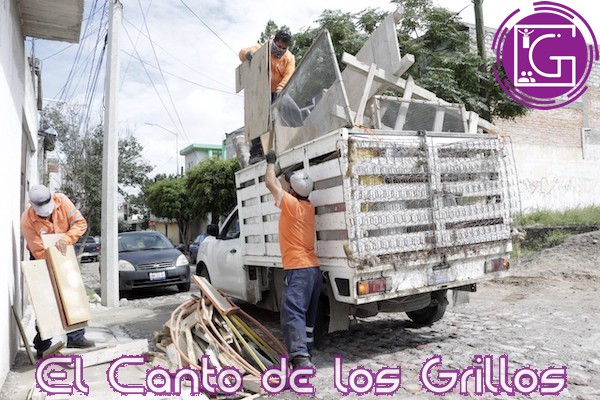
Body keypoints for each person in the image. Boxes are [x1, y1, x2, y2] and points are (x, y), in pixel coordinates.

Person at [20, 184, 95, 358]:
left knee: (72, 295)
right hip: (41, 257)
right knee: (46, 301)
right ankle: (43, 345)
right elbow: (38, 250)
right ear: (32, 206)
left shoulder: (62, 201)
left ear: (52, 198)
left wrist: (66, 238)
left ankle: (76, 337)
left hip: (65, 251)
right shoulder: (27, 220)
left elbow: (80, 223)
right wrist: (54, 271)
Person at [264, 151, 321, 369]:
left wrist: (270, 163)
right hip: (313, 269)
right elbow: (289, 186)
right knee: (307, 318)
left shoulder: (290, 205)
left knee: (293, 313)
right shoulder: (308, 206)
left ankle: (300, 359)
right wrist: (284, 175)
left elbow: (269, 183)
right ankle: (307, 353)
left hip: (297, 270)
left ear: (292, 192)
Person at [239, 30, 296, 163]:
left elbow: (289, 74)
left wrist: (280, 89)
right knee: (258, 120)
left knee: (287, 114)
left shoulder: (289, 58)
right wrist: (247, 54)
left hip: (278, 91)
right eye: (278, 46)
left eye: (284, 48)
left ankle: (286, 143)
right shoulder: (262, 49)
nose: (280, 50)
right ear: (274, 41)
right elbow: (242, 52)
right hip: (260, 91)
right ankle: (256, 153)